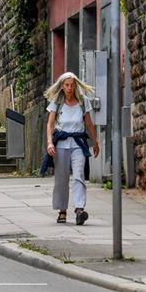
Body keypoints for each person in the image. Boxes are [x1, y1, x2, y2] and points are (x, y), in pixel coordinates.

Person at [45, 72, 100, 225]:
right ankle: (62, 210)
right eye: (66, 85)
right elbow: (50, 124)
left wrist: (95, 142)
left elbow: (89, 124)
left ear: (75, 85)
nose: (69, 88)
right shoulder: (57, 101)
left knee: (79, 175)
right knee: (61, 179)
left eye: (72, 85)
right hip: (61, 144)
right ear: (62, 86)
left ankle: (79, 209)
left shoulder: (83, 101)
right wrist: (50, 142)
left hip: (78, 143)